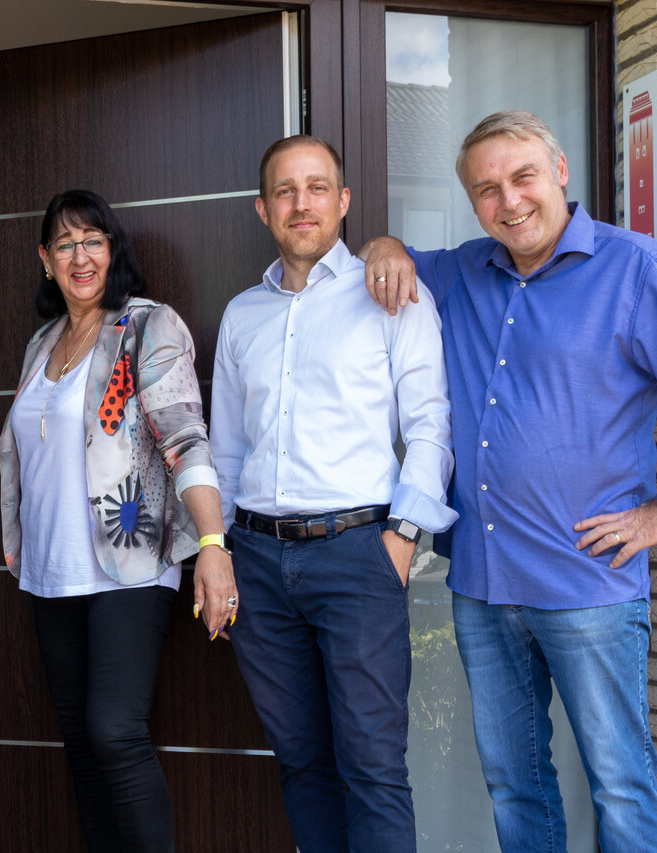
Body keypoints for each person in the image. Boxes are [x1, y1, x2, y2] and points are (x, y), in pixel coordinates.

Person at [359, 110, 657, 852]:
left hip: (589, 582)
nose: (509, 201)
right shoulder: (461, 271)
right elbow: (387, 258)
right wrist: (381, 245)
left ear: (560, 172)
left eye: (523, 177)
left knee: (620, 782)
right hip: (483, 583)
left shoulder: (638, 269)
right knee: (515, 783)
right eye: (486, 190)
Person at [0, 189, 236, 853]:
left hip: (129, 567)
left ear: (112, 250)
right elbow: (17, 457)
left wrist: (212, 542)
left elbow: (185, 439)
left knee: (115, 730)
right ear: (46, 258)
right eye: (65, 244)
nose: (80, 256)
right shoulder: (42, 344)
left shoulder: (146, 326)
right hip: (50, 573)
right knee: (84, 745)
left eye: (93, 240)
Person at [210, 135, 456, 852]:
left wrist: (401, 540)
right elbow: (226, 450)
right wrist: (217, 547)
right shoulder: (241, 315)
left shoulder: (393, 294)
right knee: (302, 763)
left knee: (373, 768)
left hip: (358, 556)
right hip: (258, 562)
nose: (302, 203)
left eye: (317, 187)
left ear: (343, 201)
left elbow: (431, 426)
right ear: (263, 209)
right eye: (285, 191)